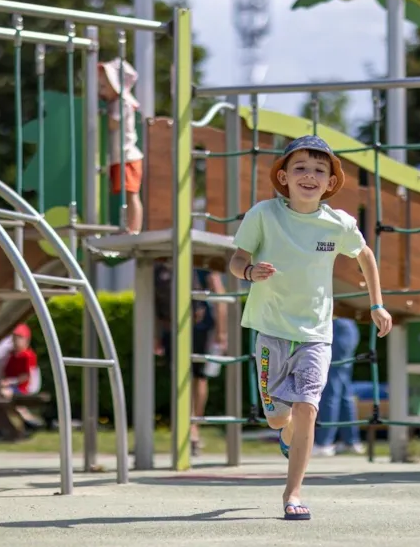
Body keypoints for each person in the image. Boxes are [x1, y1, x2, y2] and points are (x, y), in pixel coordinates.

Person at [228, 135, 393, 521]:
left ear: (331, 183)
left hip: (316, 334)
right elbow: (237, 259)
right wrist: (250, 272)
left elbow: (365, 255)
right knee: (276, 419)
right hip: (270, 329)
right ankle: (285, 437)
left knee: (306, 408)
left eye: (320, 170)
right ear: (283, 176)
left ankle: (293, 493)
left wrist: (377, 304)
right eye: (300, 168)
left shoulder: (339, 223)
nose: (310, 175)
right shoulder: (264, 214)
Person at [153, 264, 228, 456]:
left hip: (197, 326)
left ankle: (193, 425)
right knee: (183, 377)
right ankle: (185, 425)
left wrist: (221, 332)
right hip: (174, 327)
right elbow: (153, 301)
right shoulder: (159, 263)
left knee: (197, 377)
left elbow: (220, 297)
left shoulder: (204, 262)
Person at [98, 57, 144, 234]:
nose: (101, 91)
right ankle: (129, 226)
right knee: (125, 194)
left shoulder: (121, 103)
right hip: (120, 156)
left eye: (103, 87)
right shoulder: (116, 102)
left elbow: (113, 124)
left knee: (131, 194)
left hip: (127, 156)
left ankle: (134, 228)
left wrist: (101, 115)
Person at [313, 316, 365, 456]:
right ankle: (350, 441)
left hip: (336, 327)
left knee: (331, 387)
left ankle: (324, 442)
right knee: (342, 389)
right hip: (344, 327)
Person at [0, 323, 44, 432]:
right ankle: (27, 421)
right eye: (14, 338)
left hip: (24, 387)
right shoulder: (11, 355)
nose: (15, 341)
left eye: (19, 338)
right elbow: (5, 372)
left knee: (4, 394)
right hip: (13, 387)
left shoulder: (28, 355)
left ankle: (27, 420)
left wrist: (9, 382)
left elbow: (26, 377)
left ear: (26, 340)